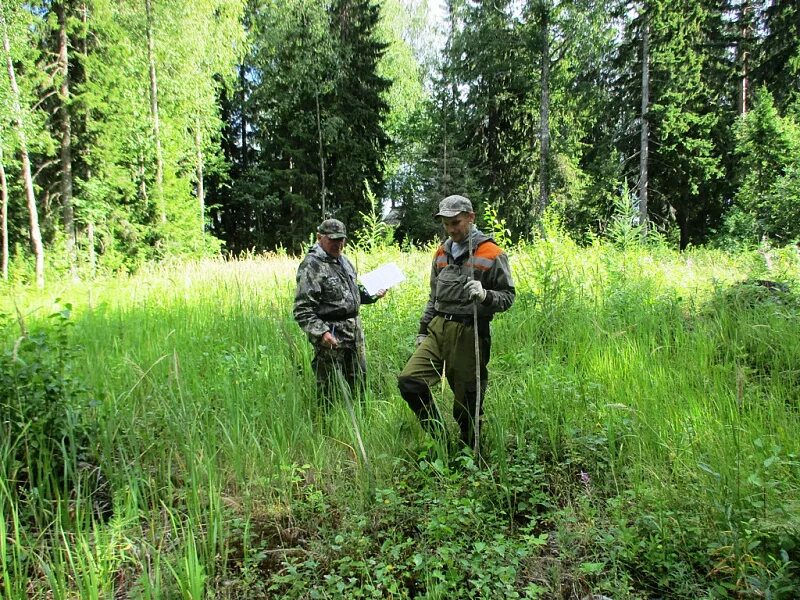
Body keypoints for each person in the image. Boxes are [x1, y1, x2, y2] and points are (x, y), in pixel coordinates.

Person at [398, 195, 515, 447]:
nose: (451, 229)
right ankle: (440, 438)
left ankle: (469, 452)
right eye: (446, 224)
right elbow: (434, 296)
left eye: (456, 222)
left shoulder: (492, 253)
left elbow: (508, 297)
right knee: (410, 381)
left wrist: (485, 296)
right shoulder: (441, 253)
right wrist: (422, 330)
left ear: (471, 218)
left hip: (469, 331)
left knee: (467, 401)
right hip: (438, 328)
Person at [294, 218, 386, 405]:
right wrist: (321, 333)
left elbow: (351, 294)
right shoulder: (312, 265)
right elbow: (302, 308)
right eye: (333, 239)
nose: (338, 244)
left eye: (341, 239)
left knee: (359, 383)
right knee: (329, 389)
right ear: (320, 237)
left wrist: (372, 294)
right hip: (331, 335)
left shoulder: (344, 261)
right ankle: (326, 428)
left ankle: (362, 421)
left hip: (354, 333)